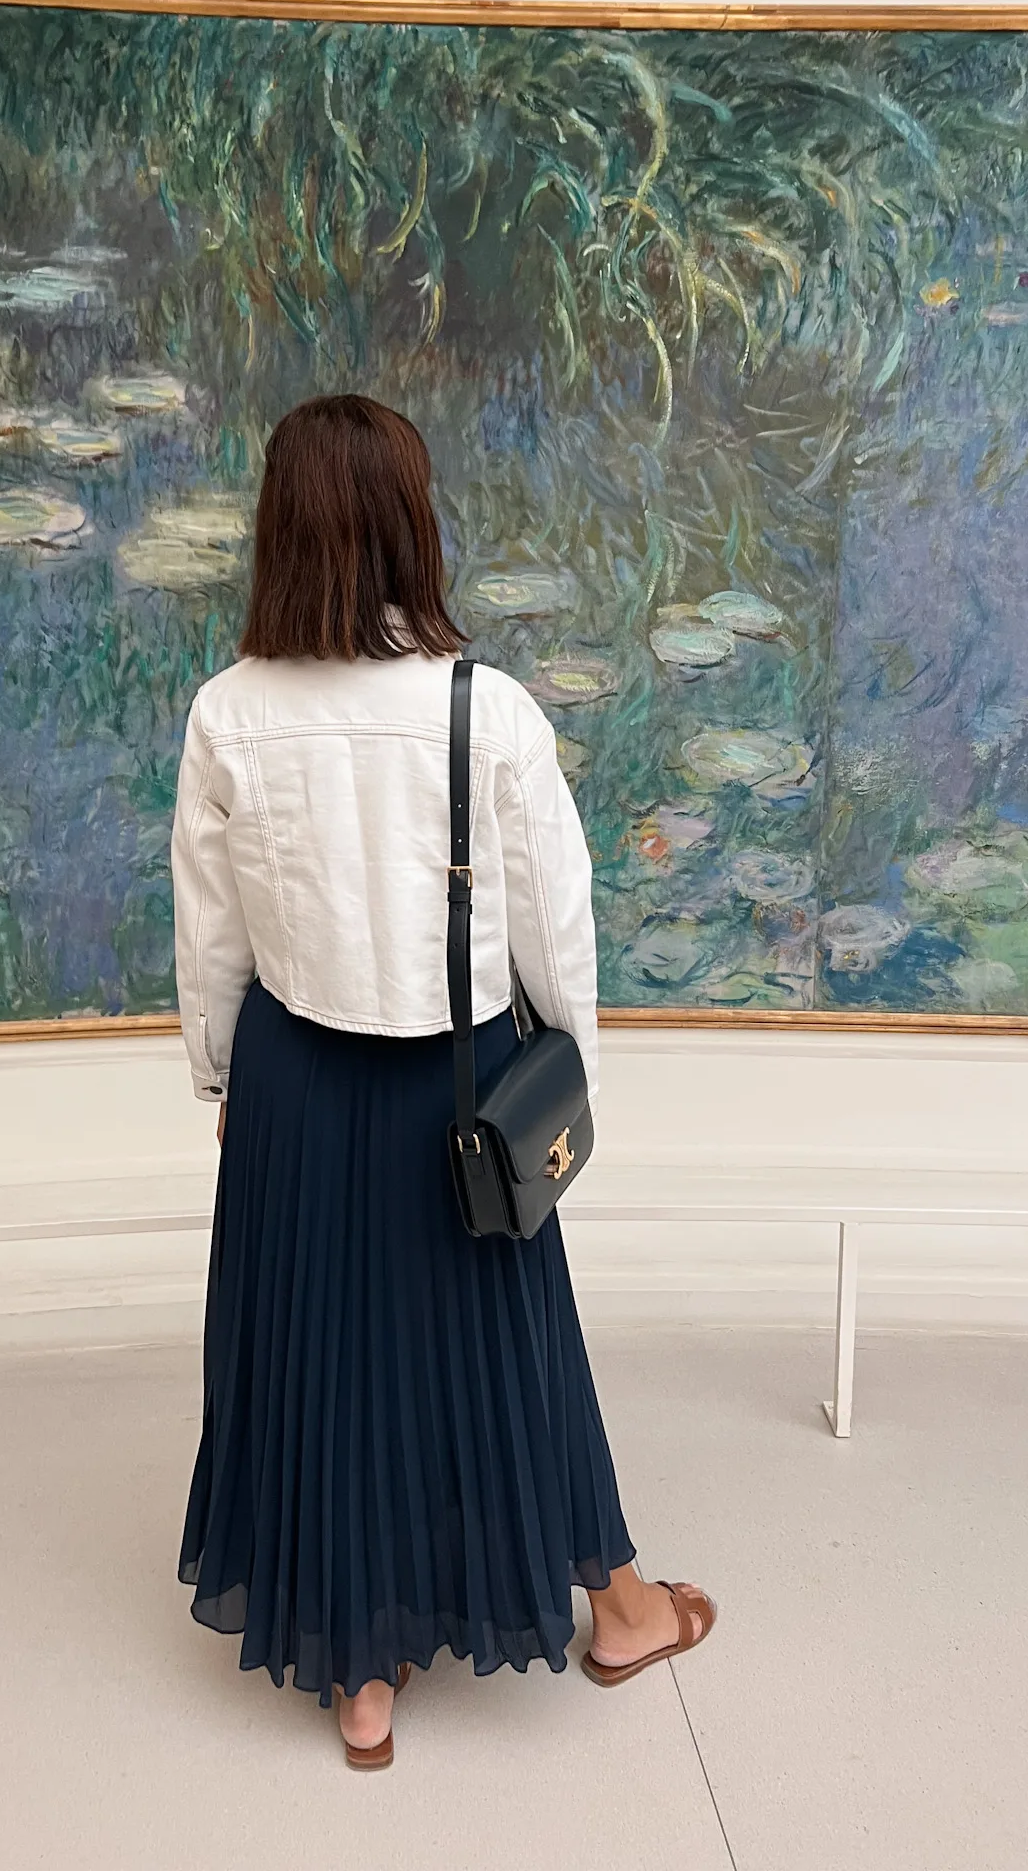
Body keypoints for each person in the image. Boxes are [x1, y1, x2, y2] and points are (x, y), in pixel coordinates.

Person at [171, 393, 714, 1769]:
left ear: (276, 534)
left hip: (294, 1079)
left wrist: (221, 1075)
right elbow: (557, 927)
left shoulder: (229, 714)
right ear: (415, 530)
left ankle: (361, 1679)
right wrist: (570, 1071)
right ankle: (620, 1608)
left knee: (320, 1359)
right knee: (510, 1355)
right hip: (461, 1092)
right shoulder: (491, 711)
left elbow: (210, 931)